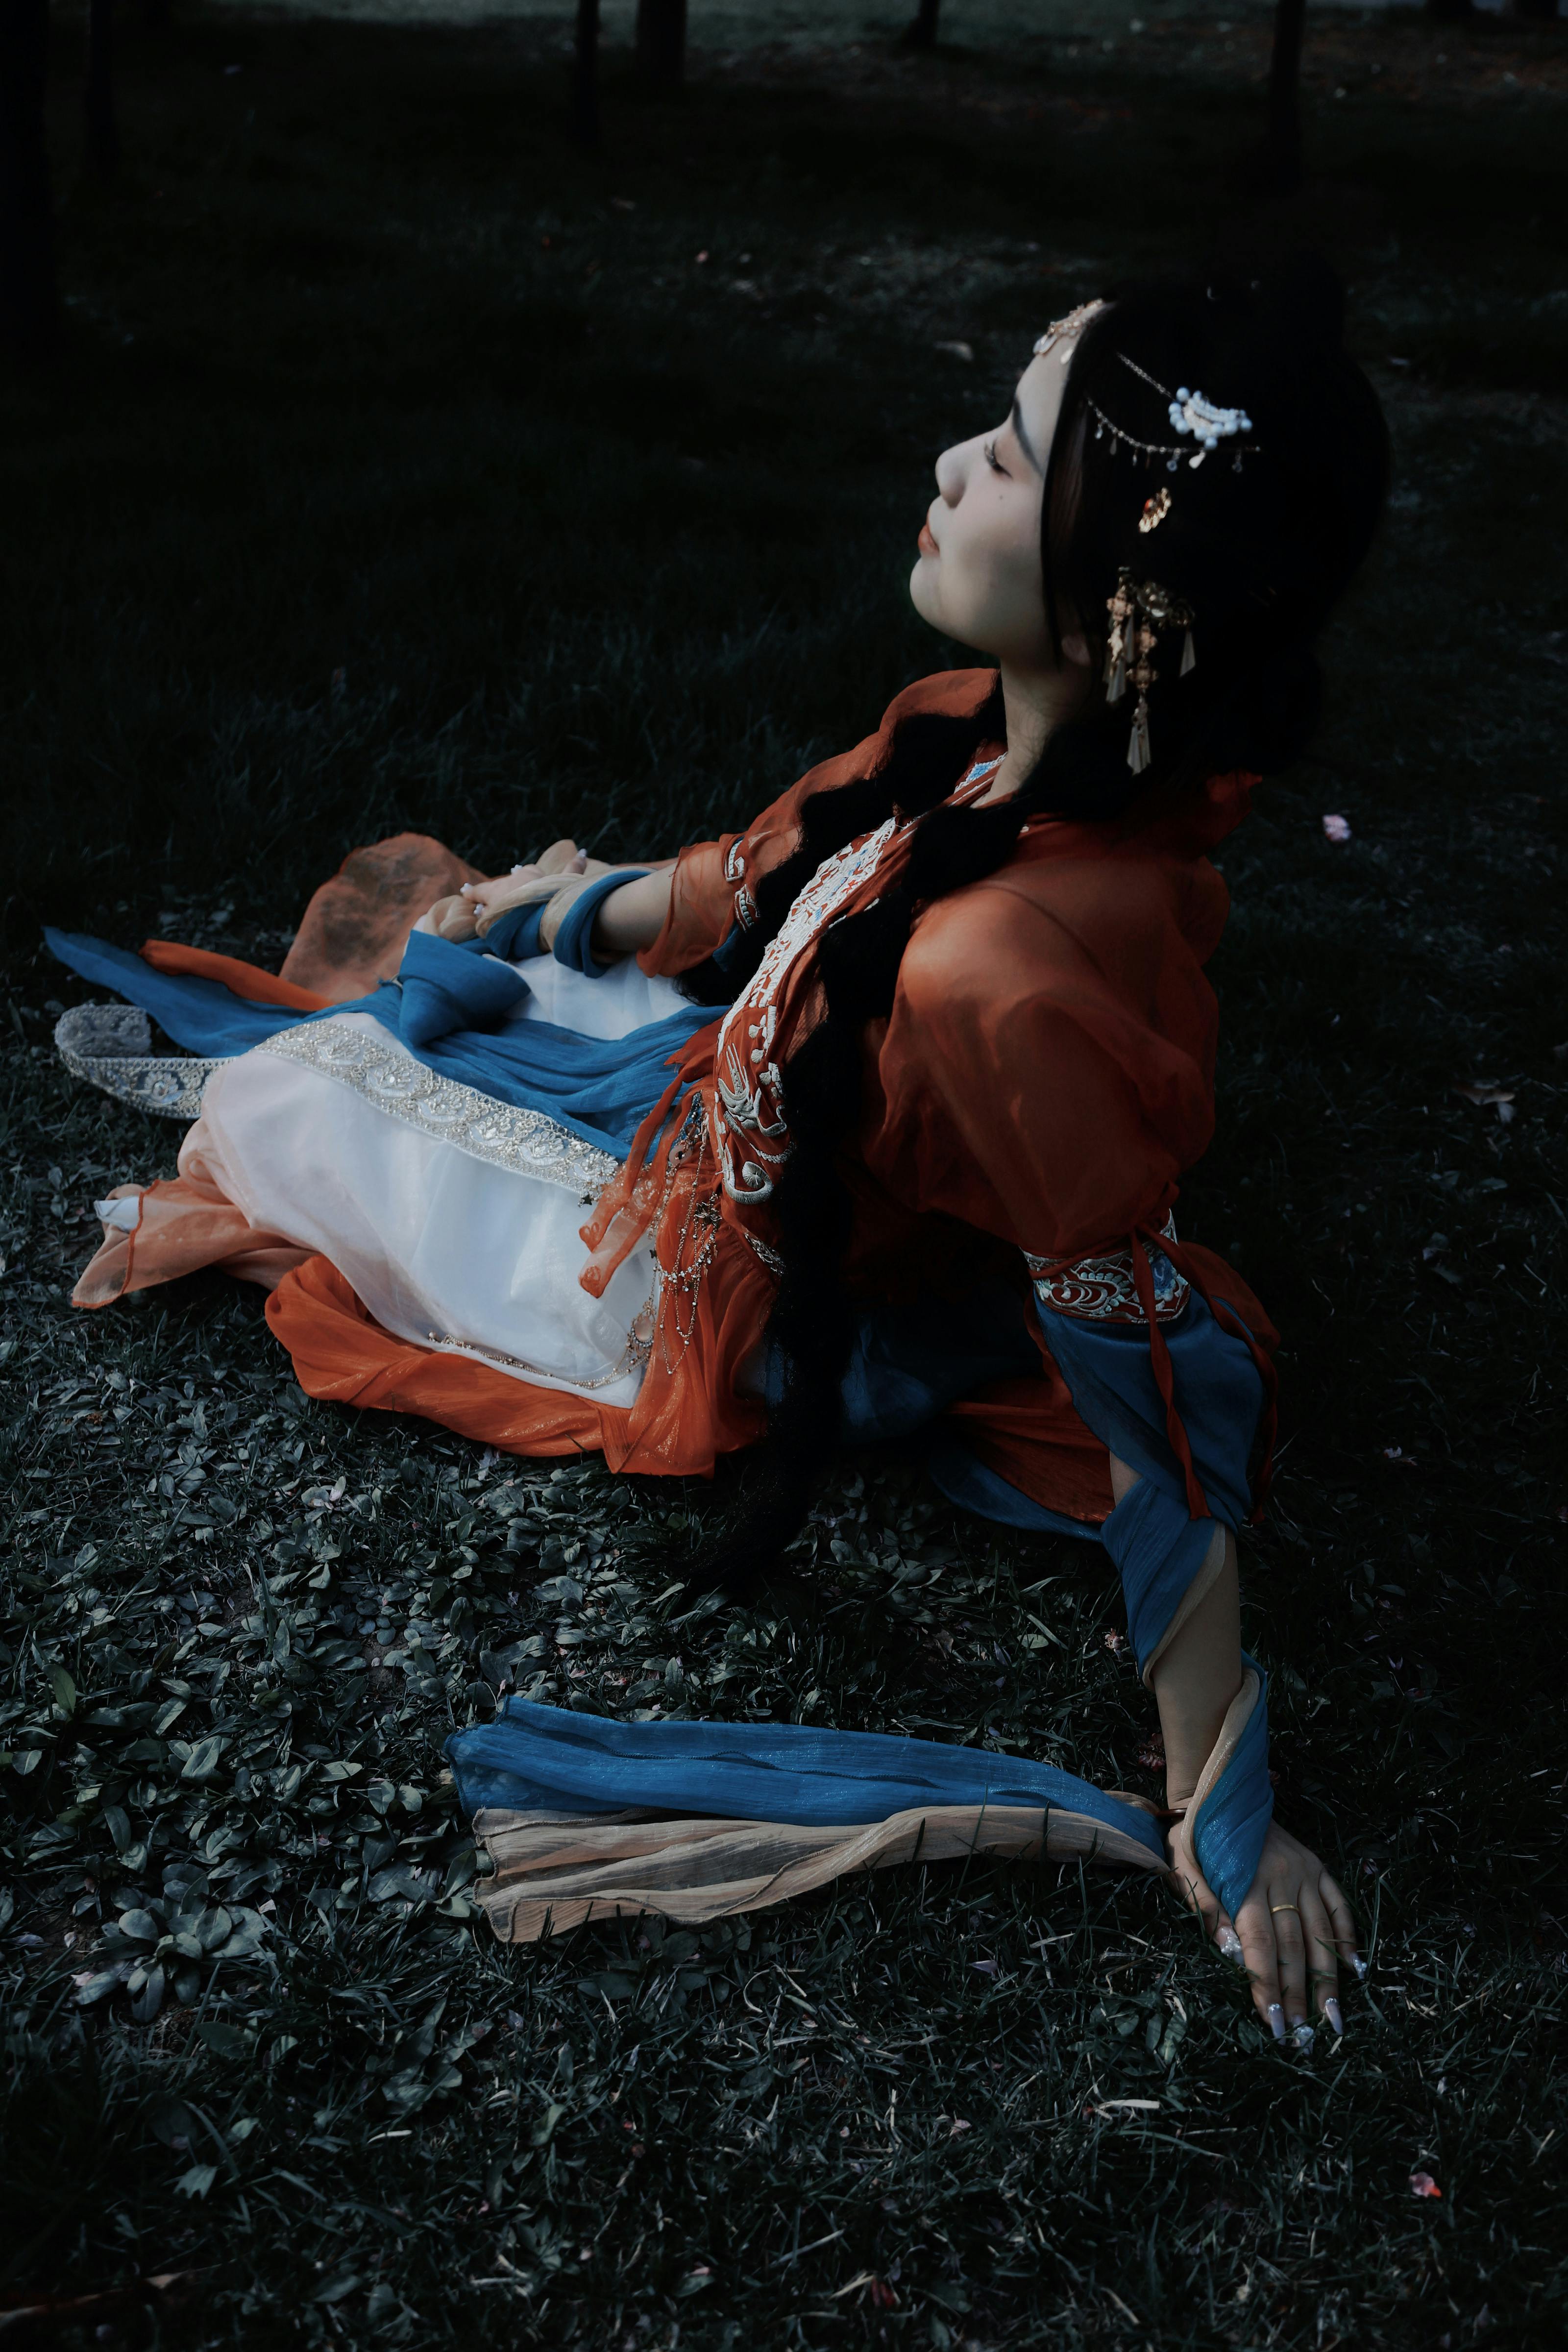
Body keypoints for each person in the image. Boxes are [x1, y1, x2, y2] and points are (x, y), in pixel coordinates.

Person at [50, 260, 1387, 2040]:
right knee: (491, 977)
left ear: (1130, 597)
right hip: (729, 1096)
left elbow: (1147, 1391)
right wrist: (571, 907)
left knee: (295, 1094)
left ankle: (390, 1130)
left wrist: (1223, 1795)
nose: (949, 461)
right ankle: (490, 1037)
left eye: (1003, 452)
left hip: (699, 1283)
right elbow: (769, 886)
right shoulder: (977, 738)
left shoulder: (1009, 975)